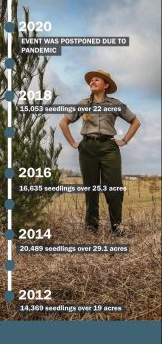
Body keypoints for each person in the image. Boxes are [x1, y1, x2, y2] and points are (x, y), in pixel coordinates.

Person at [59, 70, 141, 236]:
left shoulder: (115, 104)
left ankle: (117, 227)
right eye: (91, 80)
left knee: (114, 189)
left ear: (106, 85)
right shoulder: (83, 104)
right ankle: (91, 229)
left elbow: (135, 122)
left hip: (109, 149)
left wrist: (124, 140)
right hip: (87, 148)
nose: (92, 82)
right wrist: (74, 143)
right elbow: (63, 122)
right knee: (91, 190)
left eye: (97, 80)